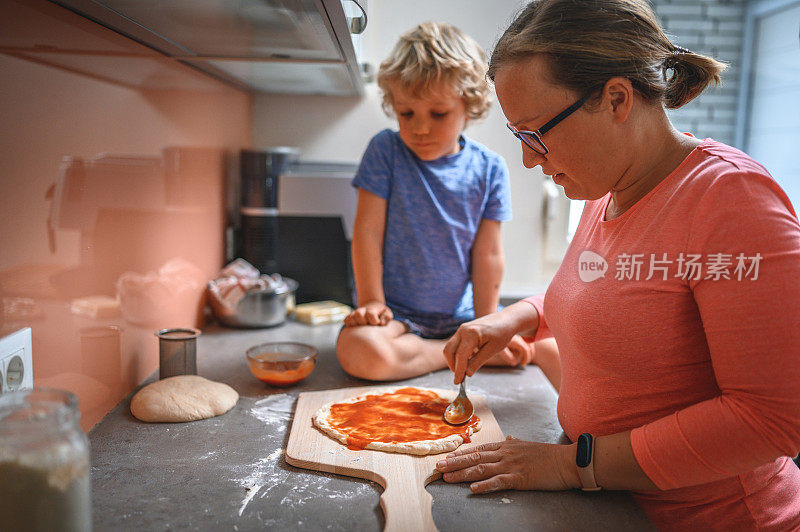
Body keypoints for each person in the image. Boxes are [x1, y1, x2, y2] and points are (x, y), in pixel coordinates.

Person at [434, 0, 800, 529]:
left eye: (536, 132)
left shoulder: (730, 200)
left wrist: (573, 464)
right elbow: (607, 289)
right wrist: (518, 317)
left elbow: (771, 420)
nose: (528, 159)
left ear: (616, 98)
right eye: (519, 137)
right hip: (617, 507)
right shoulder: (606, 192)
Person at [336, 22, 561, 382]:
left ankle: (470, 347)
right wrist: (371, 303)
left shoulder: (489, 168)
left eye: (438, 114)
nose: (420, 128)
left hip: (465, 316)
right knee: (360, 351)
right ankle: (452, 355)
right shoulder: (385, 151)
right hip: (396, 317)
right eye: (406, 113)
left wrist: (488, 324)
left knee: (555, 345)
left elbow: (487, 254)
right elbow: (367, 232)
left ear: (468, 106)